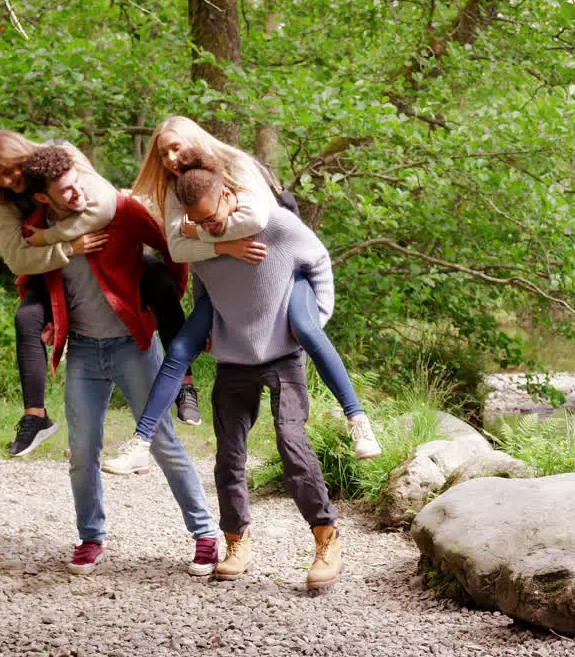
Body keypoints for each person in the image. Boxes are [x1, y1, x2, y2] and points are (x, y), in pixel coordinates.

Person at [101, 115, 379, 479]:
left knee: (308, 331)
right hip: (229, 284)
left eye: (175, 147)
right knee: (180, 350)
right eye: (163, 152)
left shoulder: (236, 166)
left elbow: (257, 221)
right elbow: (178, 249)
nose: (169, 157)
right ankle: (141, 443)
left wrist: (197, 232)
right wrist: (225, 245)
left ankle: (357, 418)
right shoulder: (177, 189)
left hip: (283, 271)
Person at [17, 145, 219, 576]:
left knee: (162, 442)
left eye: (76, 185)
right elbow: (26, 272)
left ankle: (205, 535)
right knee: (83, 450)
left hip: (136, 344)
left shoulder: (119, 209)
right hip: (84, 352)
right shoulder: (39, 228)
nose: (76, 196)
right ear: (42, 198)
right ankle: (91, 538)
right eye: (64, 193)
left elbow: (170, 248)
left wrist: (162, 296)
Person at [169, 147, 344, 587]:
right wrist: (210, 329)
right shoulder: (200, 244)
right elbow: (205, 291)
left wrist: (312, 322)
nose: (210, 228)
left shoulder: (277, 224)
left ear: (229, 194)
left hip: (283, 356)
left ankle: (326, 539)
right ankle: (236, 542)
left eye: (214, 218)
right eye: (200, 223)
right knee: (229, 456)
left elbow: (319, 260)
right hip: (233, 361)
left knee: (291, 442)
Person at [0, 131, 202, 459]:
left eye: (11, 170)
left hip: (105, 254)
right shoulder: (4, 198)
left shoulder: (60, 156)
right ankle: (35, 416)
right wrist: (67, 248)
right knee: (27, 318)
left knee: (158, 282)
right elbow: (15, 258)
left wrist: (49, 237)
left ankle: (185, 384)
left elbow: (104, 203)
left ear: (24, 155)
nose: (9, 181)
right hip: (56, 268)